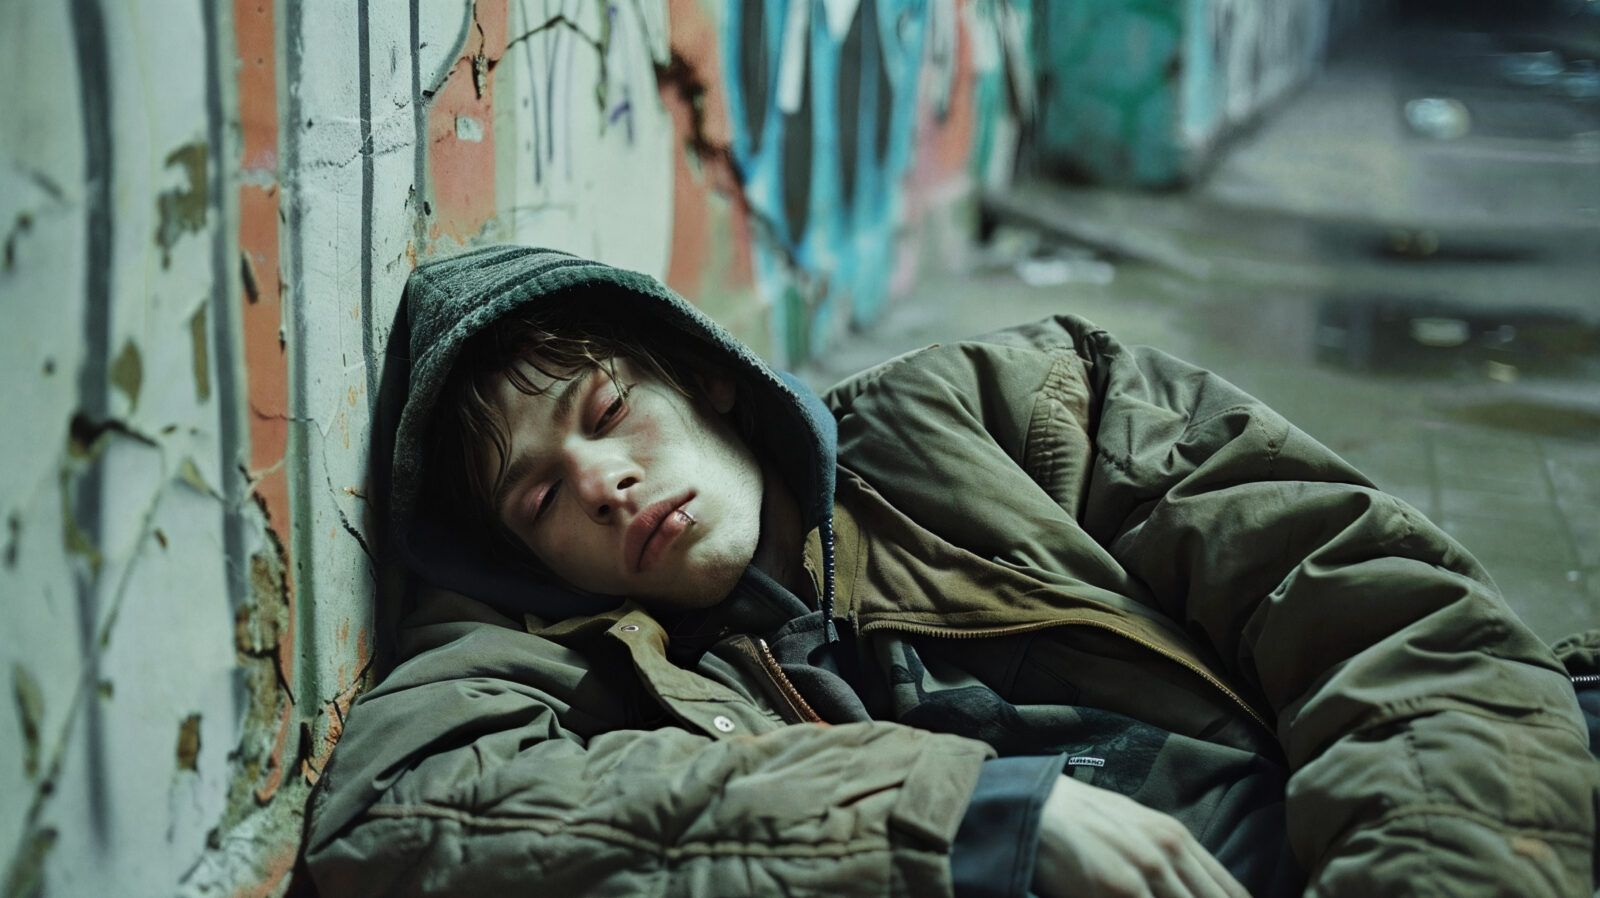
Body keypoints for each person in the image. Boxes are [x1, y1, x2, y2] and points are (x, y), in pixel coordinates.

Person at [302, 245, 1599, 897]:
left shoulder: (1023, 403)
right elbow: (393, 815)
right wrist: (980, 812)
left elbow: (1397, 637)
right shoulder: (601, 669)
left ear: (695, 373)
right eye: (541, 495)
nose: (602, 480)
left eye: (603, 408)